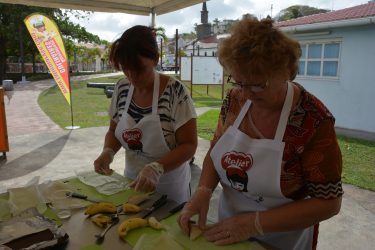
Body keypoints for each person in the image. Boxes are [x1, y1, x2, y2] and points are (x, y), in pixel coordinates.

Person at [178, 16, 343, 249]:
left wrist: (254, 223)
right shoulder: (235, 101)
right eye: (238, 82)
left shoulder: (313, 121)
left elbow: (329, 203)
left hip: (282, 238)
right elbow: (216, 152)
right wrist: (203, 191)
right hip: (229, 229)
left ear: (286, 72)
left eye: (257, 85)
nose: (246, 94)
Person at [94, 25, 197, 203]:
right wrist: (108, 151)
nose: (132, 76)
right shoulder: (122, 87)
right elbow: (114, 131)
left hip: (169, 188)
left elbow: (189, 145)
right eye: (126, 68)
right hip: (131, 181)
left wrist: (157, 168)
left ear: (155, 59)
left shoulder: (175, 92)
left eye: (139, 69)